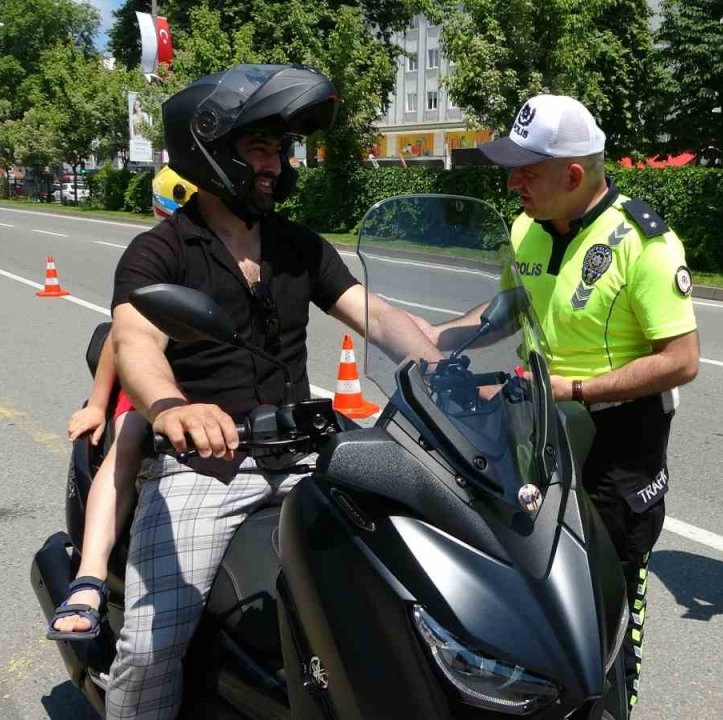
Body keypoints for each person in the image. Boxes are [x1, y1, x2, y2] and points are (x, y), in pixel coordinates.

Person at [104, 64, 440, 719]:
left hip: (312, 456)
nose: (276, 163)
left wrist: (446, 364)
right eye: (260, 147)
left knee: (413, 582)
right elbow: (135, 344)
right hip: (208, 464)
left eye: (279, 148)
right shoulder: (162, 252)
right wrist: (173, 407)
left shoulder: (298, 247)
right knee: (149, 646)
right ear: (210, 149)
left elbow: (376, 316)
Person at [422, 94, 699, 712]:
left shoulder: (642, 242)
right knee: (532, 589)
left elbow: (681, 359)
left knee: (607, 611)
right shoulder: (524, 227)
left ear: (573, 175)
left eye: (526, 169)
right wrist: (434, 340)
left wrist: (572, 390)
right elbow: (506, 310)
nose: (512, 181)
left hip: (617, 450)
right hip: (539, 437)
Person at [45, 330, 146, 641]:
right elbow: (123, 332)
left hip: (247, 391)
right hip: (160, 383)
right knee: (128, 441)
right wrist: (98, 405)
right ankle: (90, 575)